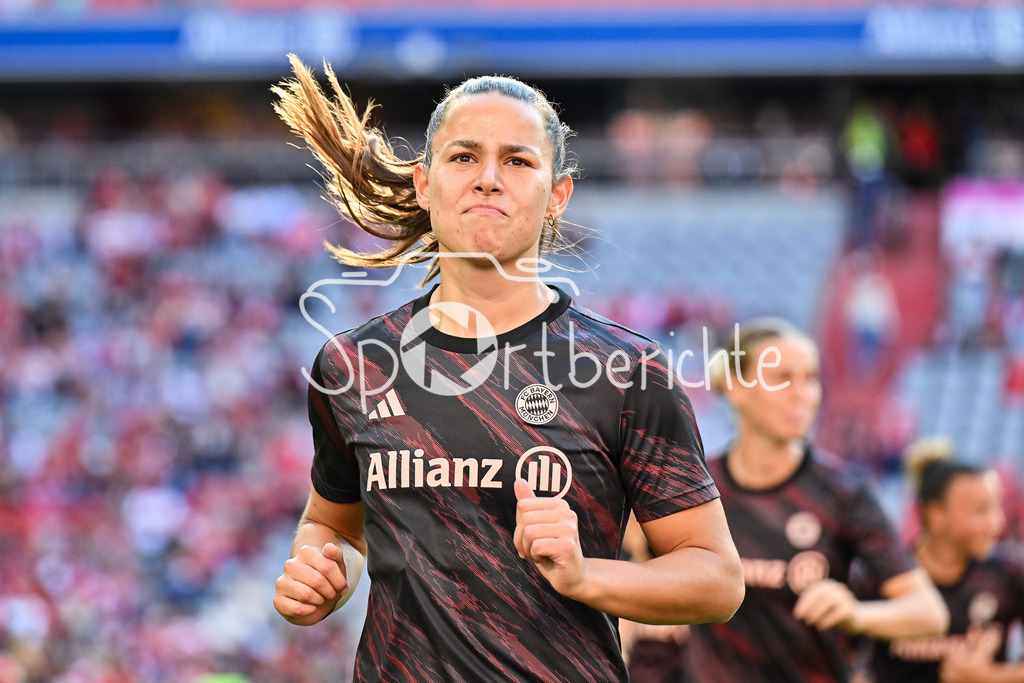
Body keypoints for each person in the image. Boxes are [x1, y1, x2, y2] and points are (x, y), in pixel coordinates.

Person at [270, 55, 744, 682]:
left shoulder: (628, 372)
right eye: (464, 157)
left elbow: (716, 578)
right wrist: (320, 573)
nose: (488, 178)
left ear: (557, 195)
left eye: (517, 161)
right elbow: (333, 524)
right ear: (423, 182)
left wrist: (585, 576)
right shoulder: (352, 365)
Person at [681, 317, 947, 682]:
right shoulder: (694, 486)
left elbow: (928, 613)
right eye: (783, 378)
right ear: (734, 386)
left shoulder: (843, 492)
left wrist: (856, 614)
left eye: (811, 378)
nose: (803, 393)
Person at [860, 437, 1024, 682]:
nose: (996, 523)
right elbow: (842, 660)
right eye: (980, 510)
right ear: (935, 514)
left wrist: (990, 676)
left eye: (996, 508)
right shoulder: (886, 575)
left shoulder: (1009, 575)